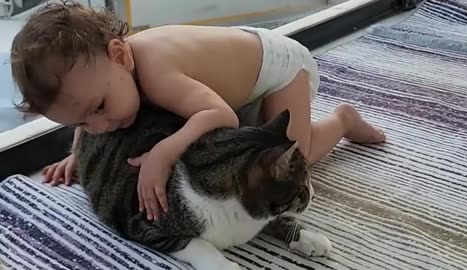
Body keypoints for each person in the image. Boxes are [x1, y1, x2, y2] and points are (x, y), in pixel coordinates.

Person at [11, 1, 386, 221]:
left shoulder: (157, 73)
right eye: (81, 123)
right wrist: (77, 152)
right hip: (228, 74)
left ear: (121, 56)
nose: (100, 126)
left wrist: (165, 151)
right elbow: (88, 114)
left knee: (291, 154)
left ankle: (342, 120)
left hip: (280, 68)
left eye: (100, 108)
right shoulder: (105, 79)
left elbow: (224, 116)